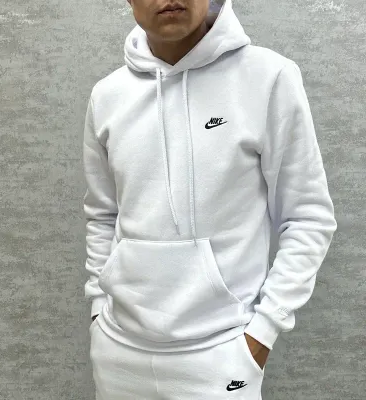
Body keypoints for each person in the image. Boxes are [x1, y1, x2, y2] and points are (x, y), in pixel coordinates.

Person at [82, 0, 337, 398]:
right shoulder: (107, 95)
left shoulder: (268, 77)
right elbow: (102, 215)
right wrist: (98, 310)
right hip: (118, 351)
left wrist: (263, 331)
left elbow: (308, 216)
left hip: (221, 353)